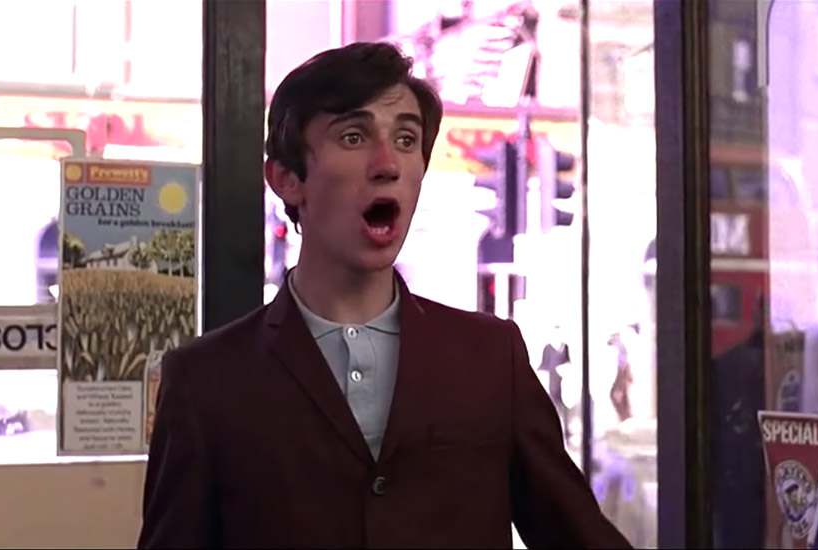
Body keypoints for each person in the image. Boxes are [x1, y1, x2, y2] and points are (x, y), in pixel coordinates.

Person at [138, 42, 631, 549]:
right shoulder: (206, 382)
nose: (387, 163)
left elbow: (579, 535)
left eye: (406, 139)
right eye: (353, 137)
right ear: (287, 179)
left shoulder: (489, 357)